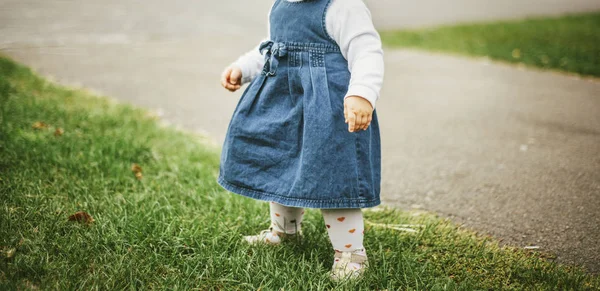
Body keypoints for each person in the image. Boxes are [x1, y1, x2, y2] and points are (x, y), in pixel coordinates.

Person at [218, 0, 384, 280]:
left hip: (329, 110)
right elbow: (273, 47)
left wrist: (362, 93)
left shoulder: (342, 7)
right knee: (282, 167)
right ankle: (284, 231)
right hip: (283, 105)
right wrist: (243, 67)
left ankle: (350, 252)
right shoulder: (281, 5)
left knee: (333, 176)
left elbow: (366, 50)